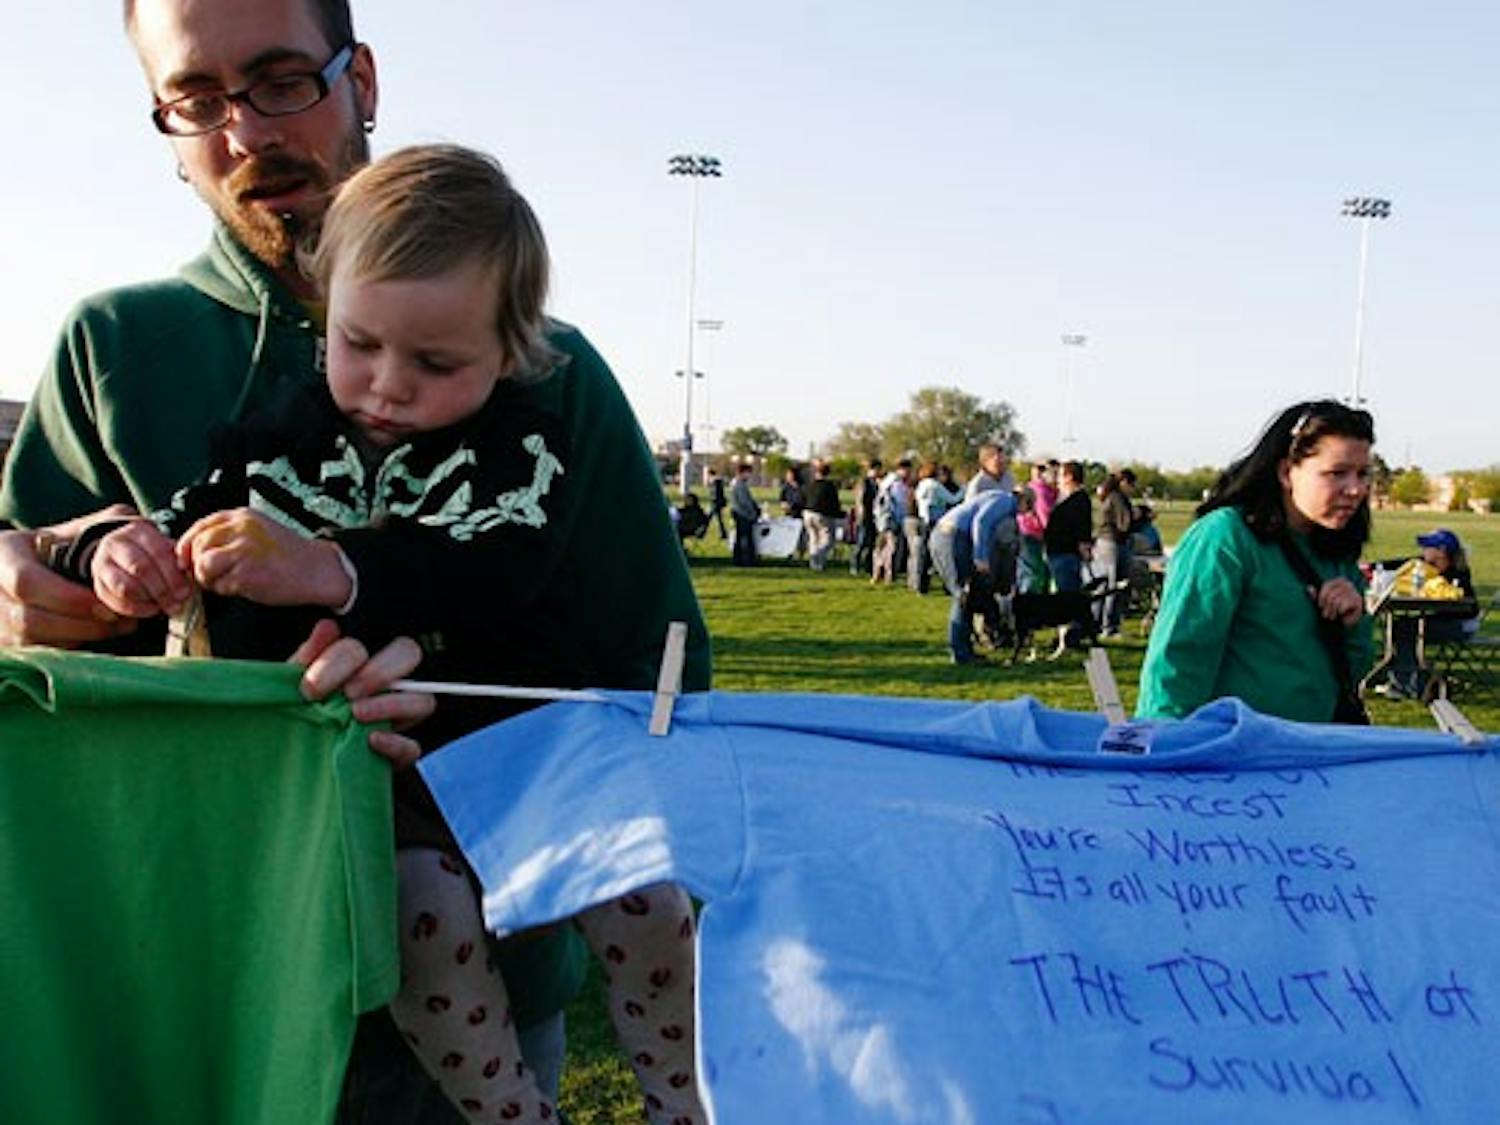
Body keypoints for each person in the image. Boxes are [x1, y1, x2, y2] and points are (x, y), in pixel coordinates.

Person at [0, 0, 710, 1115]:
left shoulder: (552, 379)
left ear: (362, 81)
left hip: (474, 987)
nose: (245, 131)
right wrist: (70, 564)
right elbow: (36, 641)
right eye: (195, 97)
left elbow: (660, 675)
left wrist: (428, 666)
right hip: (192, 991)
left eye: (283, 79)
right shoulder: (114, 348)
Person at [1137, 400, 1375, 723]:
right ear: (1286, 472)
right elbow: (1178, 659)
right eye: (1337, 474)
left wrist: (1353, 621)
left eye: (1363, 474)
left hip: (1308, 752)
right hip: (1231, 755)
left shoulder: (1335, 548)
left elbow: (1349, 672)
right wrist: (1165, 746)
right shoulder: (1225, 538)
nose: (1356, 490)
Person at [1377, 527, 1480, 698]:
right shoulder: (1426, 565)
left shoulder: (1458, 574)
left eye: (1428, 547)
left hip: (1461, 625)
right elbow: (1401, 563)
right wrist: (1374, 566)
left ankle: (1409, 685)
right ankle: (1407, 681)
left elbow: (1465, 607)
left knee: (1405, 630)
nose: (1423, 551)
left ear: (1441, 552)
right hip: (1440, 619)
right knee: (1401, 627)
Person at [928, 489, 1019, 665]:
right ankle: (961, 653)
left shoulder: (996, 496)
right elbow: (981, 522)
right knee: (963, 595)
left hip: (945, 534)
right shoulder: (1006, 501)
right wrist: (981, 557)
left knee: (964, 595)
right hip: (953, 536)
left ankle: (964, 649)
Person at [1091, 470, 1135, 637]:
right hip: (1113, 543)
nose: (1132, 489)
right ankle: (1109, 626)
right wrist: (1137, 517)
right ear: (1124, 482)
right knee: (1114, 585)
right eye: (1131, 485)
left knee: (1103, 585)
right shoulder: (1118, 498)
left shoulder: (1109, 495)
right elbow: (1125, 524)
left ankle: (1098, 622)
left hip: (1103, 543)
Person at [1042, 461, 1092, 595]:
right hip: (1058, 553)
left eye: (1060, 475)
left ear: (1069, 477)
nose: (1057, 480)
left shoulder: (1078, 500)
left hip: (1065, 554)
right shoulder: (1066, 498)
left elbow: (1082, 528)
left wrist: (1084, 547)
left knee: (1067, 596)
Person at [801, 459, 843, 572]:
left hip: (807, 513)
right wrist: (840, 514)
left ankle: (814, 564)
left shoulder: (809, 485)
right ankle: (817, 556)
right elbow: (834, 503)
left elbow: (803, 498)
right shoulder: (829, 486)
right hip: (822, 514)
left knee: (813, 538)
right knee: (828, 540)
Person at [850, 459, 882, 576]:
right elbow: (860, 501)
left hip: (874, 516)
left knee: (871, 543)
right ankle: (855, 565)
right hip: (865, 516)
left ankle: (868, 566)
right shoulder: (864, 482)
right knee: (861, 542)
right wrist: (861, 516)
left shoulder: (877, 483)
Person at [729, 461, 759, 566]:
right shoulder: (740, 485)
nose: (749, 476)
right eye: (748, 473)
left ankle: (738, 559)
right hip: (744, 515)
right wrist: (753, 512)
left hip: (739, 513)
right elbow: (745, 501)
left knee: (740, 538)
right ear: (743, 472)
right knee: (745, 538)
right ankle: (747, 560)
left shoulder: (735, 483)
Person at [706, 467, 730, 539]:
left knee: (709, 518)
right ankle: (723, 534)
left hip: (715, 503)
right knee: (719, 519)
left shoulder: (715, 482)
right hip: (718, 503)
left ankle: (701, 532)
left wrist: (713, 499)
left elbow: (715, 493)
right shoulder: (718, 481)